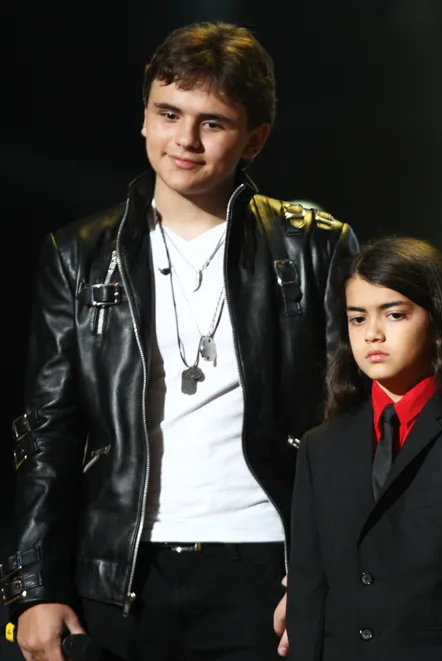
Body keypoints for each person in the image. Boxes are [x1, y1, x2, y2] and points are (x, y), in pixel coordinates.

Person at [5, 21, 358, 661]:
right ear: (144, 118)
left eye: (213, 122)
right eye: (169, 113)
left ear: (255, 139)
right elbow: (47, 429)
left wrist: (322, 576)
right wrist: (33, 589)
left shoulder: (315, 246)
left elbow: (350, 424)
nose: (185, 140)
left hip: (265, 570)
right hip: (118, 575)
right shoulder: (78, 254)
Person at [286, 236, 442, 661]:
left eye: (394, 314)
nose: (372, 333)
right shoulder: (321, 446)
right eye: (357, 318)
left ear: (440, 325)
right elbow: (308, 588)